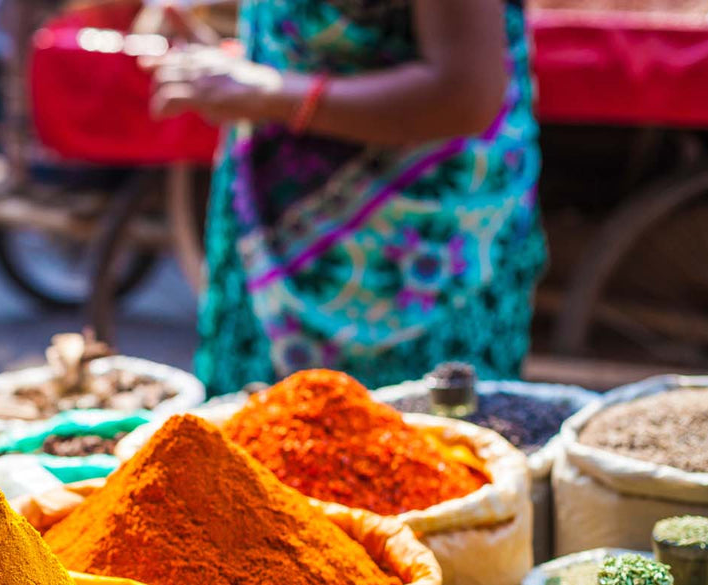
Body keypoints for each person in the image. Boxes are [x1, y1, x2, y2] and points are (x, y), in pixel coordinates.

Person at [152, 0, 546, 394]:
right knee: (252, 435)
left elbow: (464, 93)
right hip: (269, 243)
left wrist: (268, 92)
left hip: (414, 262)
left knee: (416, 440)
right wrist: (227, 73)